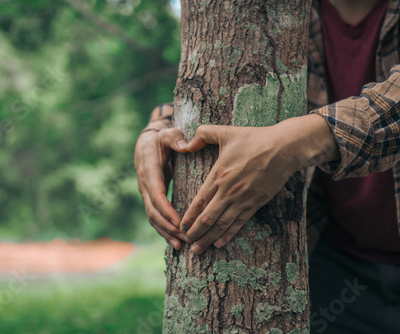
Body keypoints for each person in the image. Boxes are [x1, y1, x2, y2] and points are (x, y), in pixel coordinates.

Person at [134, 0, 400, 333]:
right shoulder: (283, 12)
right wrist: (155, 130)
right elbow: (220, 84)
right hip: (334, 261)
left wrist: (295, 142)